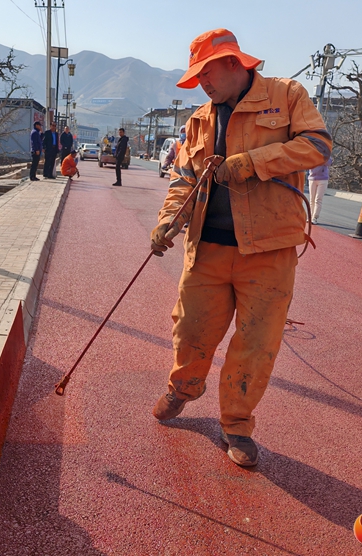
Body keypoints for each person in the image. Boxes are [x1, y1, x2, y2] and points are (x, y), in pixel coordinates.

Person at [150, 29, 331, 467]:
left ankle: (236, 423)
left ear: (233, 62)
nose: (202, 84)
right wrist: (168, 222)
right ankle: (184, 387)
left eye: (207, 73)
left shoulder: (286, 96)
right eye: (197, 77)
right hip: (207, 248)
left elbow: (317, 146)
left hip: (268, 250)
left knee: (256, 342)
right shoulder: (199, 120)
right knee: (190, 329)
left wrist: (252, 163)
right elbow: (183, 180)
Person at [308, 155, 332, 224]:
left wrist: (322, 156)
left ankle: (315, 217)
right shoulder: (312, 153)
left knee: (318, 199)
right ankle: (310, 217)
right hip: (312, 179)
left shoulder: (326, 154)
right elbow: (308, 163)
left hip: (323, 179)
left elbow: (329, 162)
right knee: (312, 199)